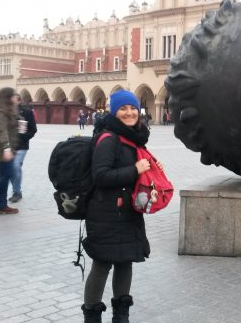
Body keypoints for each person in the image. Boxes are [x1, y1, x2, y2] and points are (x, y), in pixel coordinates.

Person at [81, 90, 164, 323]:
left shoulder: (133, 138)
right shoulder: (109, 139)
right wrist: (135, 170)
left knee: (125, 260)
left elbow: (134, 170)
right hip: (105, 212)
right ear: (114, 112)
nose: (129, 113)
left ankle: (121, 317)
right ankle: (92, 317)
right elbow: (101, 176)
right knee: (103, 262)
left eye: (133, 108)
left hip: (127, 210)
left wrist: (150, 169)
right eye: (123, 109)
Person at [9, 96, 38, 203]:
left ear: (20, 101)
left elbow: (33, 129)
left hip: (21, 146)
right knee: (12, 168)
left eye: (14, 99)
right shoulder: (6, 112)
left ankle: (17, 192)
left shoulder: (26, 112)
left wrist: (23, 138)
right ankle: (16, 191)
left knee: (15, 166)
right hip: (8, 145)